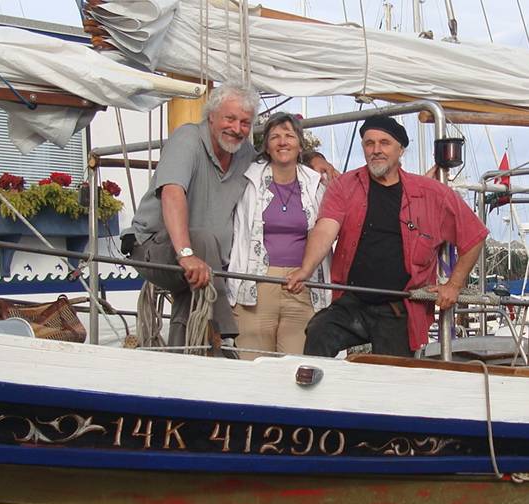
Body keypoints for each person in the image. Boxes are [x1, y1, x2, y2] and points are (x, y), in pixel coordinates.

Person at [125, 82, 336, 351]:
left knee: (194, 292)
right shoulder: (187, 139)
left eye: (245, 123)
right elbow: (172, 193)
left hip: (207, 264)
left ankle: (182, 360)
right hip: (159, 248)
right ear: (211, 116)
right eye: (230, 118)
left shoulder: (244, 154)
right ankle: (225, 335)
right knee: (202, 241)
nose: (237, 129)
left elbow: (280, 158)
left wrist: (313, 158)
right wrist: (186, 253)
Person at [286, 115, 488, 357]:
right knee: (319, 331)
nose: (376, 150)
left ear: (400, 149)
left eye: (384, 143)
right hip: (353, 302)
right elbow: (325, 229)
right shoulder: (345, 186)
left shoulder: (432, 194)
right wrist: (305, 270)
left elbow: (474, 235)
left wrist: (454, 284)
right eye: (369, 144)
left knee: (393, 380)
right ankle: (321, 394)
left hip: (399, 308)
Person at [226, 112, 331, 354]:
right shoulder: (247, 180)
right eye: (275, 137)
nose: (282, 142)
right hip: (257, 283)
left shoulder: (317, 184)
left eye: (289, 136)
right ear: (266, 146)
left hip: (303, 284)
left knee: (296, 365)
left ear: (300, 144)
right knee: (254, 365)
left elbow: (328, 229)